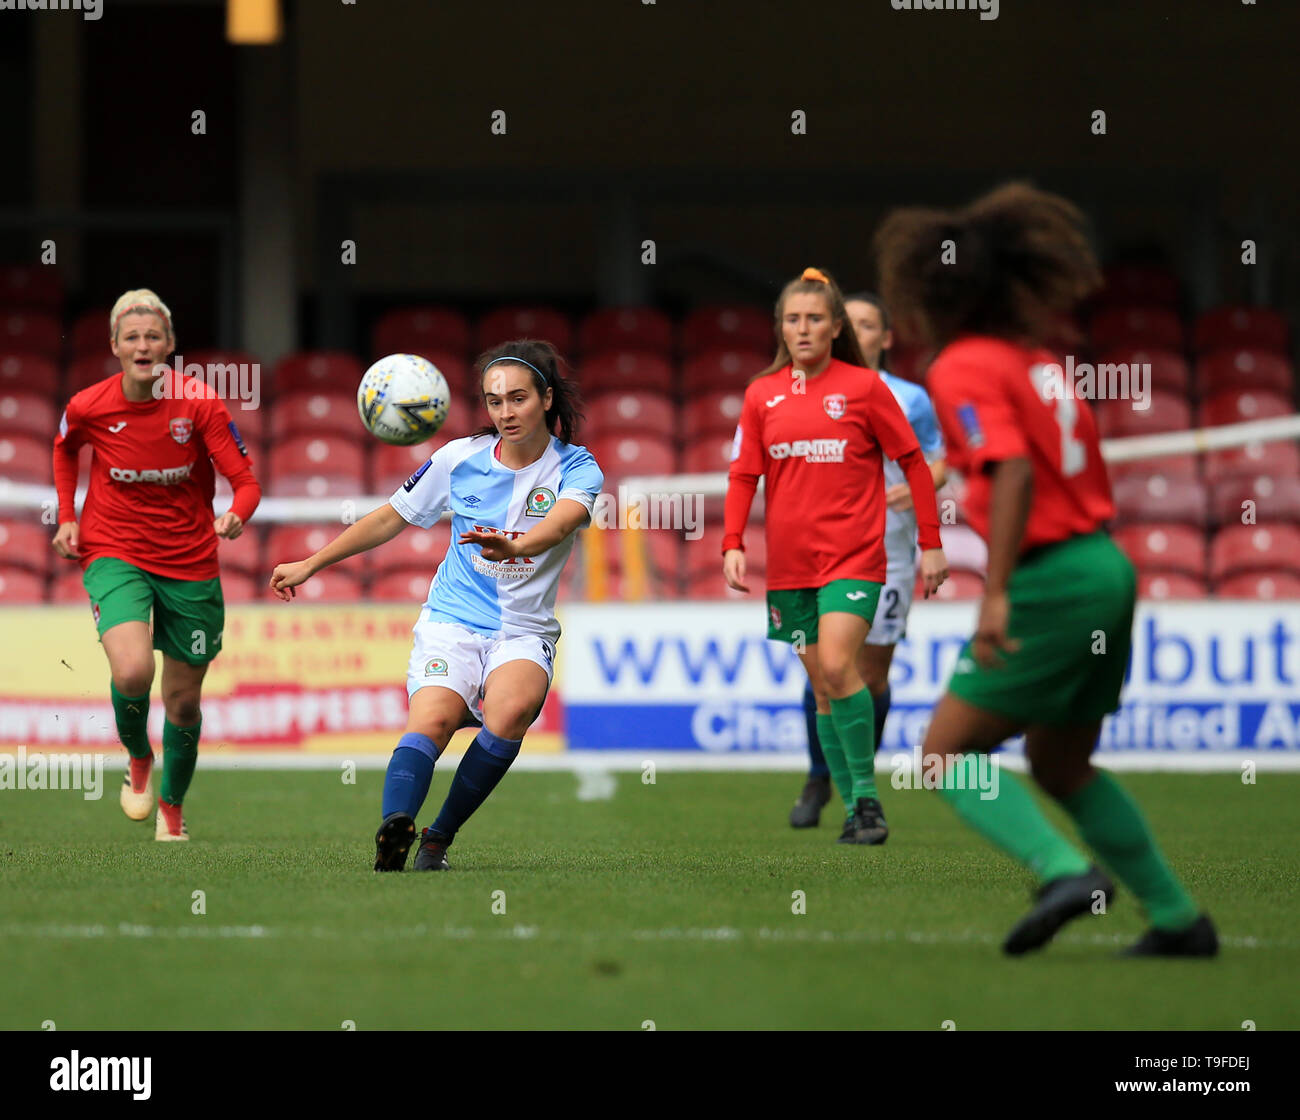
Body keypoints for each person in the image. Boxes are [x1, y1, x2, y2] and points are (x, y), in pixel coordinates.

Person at [875, 182, 1217, 956]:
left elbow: (1015, 469)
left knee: (944, 759)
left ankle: (1064, 871)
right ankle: (1177, 921)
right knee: (1062, 762)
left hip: (1051, 576)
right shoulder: (1036, 363)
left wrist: (994, 593)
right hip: (1103, 563)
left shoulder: (962, 365)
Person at [270, 339, 603, 872]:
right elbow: (390, 517)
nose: (505, 412)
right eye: (494, 402)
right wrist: (312, 563)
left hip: (522, 630)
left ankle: (437, 839)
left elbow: (562, 521)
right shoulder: (457, 458)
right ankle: (394, 829)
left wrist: (517, 545)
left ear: (545, 398)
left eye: (517, 399)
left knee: (512, 711)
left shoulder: (578, 467)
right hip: (453, 620)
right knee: (432, 720)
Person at [723, 267, 948, 845]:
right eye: (793, 319)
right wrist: (731, 543)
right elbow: (745, 472)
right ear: (781, 327)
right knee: (823, 686)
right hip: (791, 569)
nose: (803, 328)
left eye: (815, 318)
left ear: (834, 327)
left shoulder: (866, 388)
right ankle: (849, 806)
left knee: (842, 667)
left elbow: (918, 464)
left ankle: (866, 803)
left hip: (856, 559)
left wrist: (930, 545)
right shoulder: (761, 394)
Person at [51, 288, 261, 841]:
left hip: (191, 561)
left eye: (153, 336)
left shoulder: (200, 405)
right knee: (132, 672)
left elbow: (245, 482)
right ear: (116, 346)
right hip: (113, 550)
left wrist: (237, 515)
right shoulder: (89, 405)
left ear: (169, 345)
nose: (142, 345)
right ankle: (139, 757)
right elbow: (64, 447)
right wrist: (68, 515)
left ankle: (173, 804)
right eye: (132, 337)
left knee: (183, 702)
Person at [789, 292, 948, 828]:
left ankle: (859, 784)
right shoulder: (804, 390)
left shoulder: (909, 397)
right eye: (849, 323)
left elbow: (938, 458)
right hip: (822, 549)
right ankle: (820, 778)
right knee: (825, 671)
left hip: (891, 548)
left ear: (885, 336)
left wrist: (924, 490)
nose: (857, 332)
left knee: (870, 674)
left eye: (868, 324)